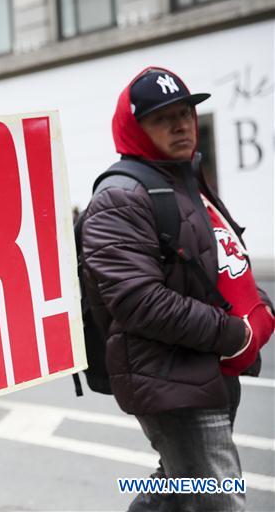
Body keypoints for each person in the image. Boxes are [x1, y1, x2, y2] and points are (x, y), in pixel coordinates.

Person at [80, 67, 274, 512]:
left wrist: (259, 309)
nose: (181, 124)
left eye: (186, 112)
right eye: (162, 117)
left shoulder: (185, 179)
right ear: (134, 127)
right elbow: (136, 300)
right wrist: (233, 333)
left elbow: (225, 261)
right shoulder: (120, 195)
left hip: (206, 369)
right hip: (170, 379)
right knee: (219, 498)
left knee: (178, 487)